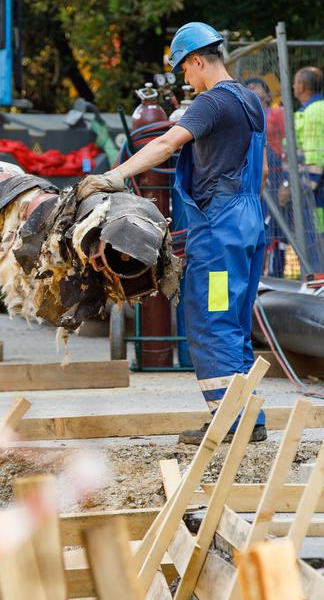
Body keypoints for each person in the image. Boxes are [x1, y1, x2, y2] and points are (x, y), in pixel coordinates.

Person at [78, 22, 267, 444]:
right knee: (234, 322)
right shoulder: (251, 101)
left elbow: (166, 145)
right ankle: (248, 420)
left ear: (198, 60)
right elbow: (264, 171)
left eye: (184, 69)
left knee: (211, 320)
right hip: (249, 226)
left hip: (219, 235)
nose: (185, 77)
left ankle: (229, 424)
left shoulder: (211, 103)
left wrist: (114, 176)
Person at [293, 66, 324, 267]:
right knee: (314, 235)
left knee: (317, 236)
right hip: (315, 188)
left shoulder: (314, 112)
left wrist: (303, 189)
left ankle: (321, 278)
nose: (293, 86)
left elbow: (314, 157)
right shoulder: (312, 110)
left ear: (302, 86)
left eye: (295, 82)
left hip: (316, 190)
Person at [243, 78, 287, 277]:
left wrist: (287, 182)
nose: (253, 92)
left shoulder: (276, 114)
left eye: (256, 89)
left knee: (275, 232)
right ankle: (260, 275)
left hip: (277, 180)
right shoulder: (246, 119)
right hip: (257, 183)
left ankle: (273, 275)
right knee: (260, 228)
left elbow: (289, 146)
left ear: (267, 95)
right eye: (248, 89)